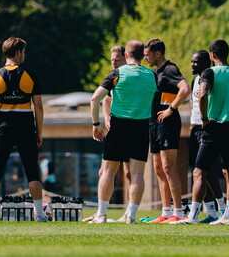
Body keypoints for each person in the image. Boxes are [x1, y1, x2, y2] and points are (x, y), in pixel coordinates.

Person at [174, 40, 229, 225]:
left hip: (213, 128)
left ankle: (192, 216)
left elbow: (204, 93)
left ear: (212, 54)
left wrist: (205, 119)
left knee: (200, 172)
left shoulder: (209, 72)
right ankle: (228, 216)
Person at [0, 37, 48, 223]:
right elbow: (39, 107)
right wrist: (39, 132)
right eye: (23, 52)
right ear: (18, 52)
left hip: (3, 129)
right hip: (26, 128)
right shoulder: (30, 75)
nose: (23, 55)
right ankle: (40, 215)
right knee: (32, 172)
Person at [89, 40, 157, 224]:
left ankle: (101, 215)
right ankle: (131, 216)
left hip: (119, 126)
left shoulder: (118, 73)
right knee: (137, 174)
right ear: (143, 56)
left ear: (126, 56)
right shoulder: (152, 75)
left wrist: (96, 124)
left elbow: (95, 98)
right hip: (141, 127)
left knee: (108, 172)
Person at [144, 38, 190, 223]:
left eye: (147, 55)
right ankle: (165, 212)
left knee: (169, 167)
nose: (145, 58)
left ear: (158, 53)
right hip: (154, 124)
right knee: (158, 169)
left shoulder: (170, 69)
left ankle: (178, 213)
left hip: (167, 123)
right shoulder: (155, 72)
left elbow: (185, 89)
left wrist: (171, 109)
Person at [183, 51, 222, 222]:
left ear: (207, 62)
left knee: (207, 171)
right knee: (198, 171)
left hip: (208, 128)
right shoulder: (195, 80)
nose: (192, 64)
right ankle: (211, 212)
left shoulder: (211, 77)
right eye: (191, 62)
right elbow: (193, 102)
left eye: (196, 62)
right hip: (195, 127)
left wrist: (206, 119)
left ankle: (220, 207)